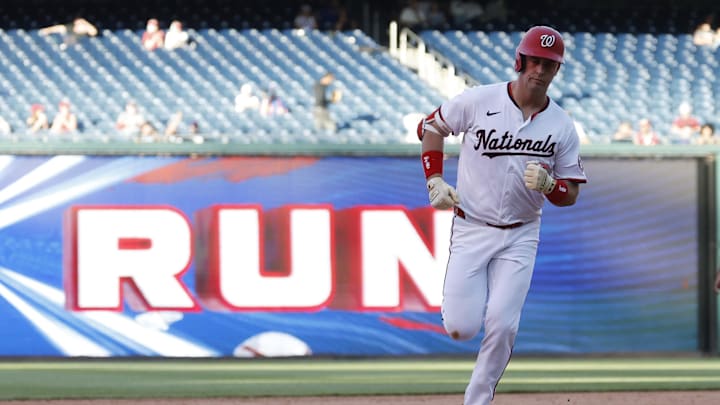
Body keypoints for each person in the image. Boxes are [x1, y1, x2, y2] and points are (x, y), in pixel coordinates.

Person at [417, 26, 586, 405]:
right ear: (519, 61)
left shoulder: (561, 124)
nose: (539, 70)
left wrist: (549, 185)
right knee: (461, 327)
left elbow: (570, 193)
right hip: (472, 226)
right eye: (534, 61)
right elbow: (430, 126)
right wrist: (434, 180)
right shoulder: (479, 100)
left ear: (557, 70)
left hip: (522, 232)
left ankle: (477, 400)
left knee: (503, 324)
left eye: (548, 64)